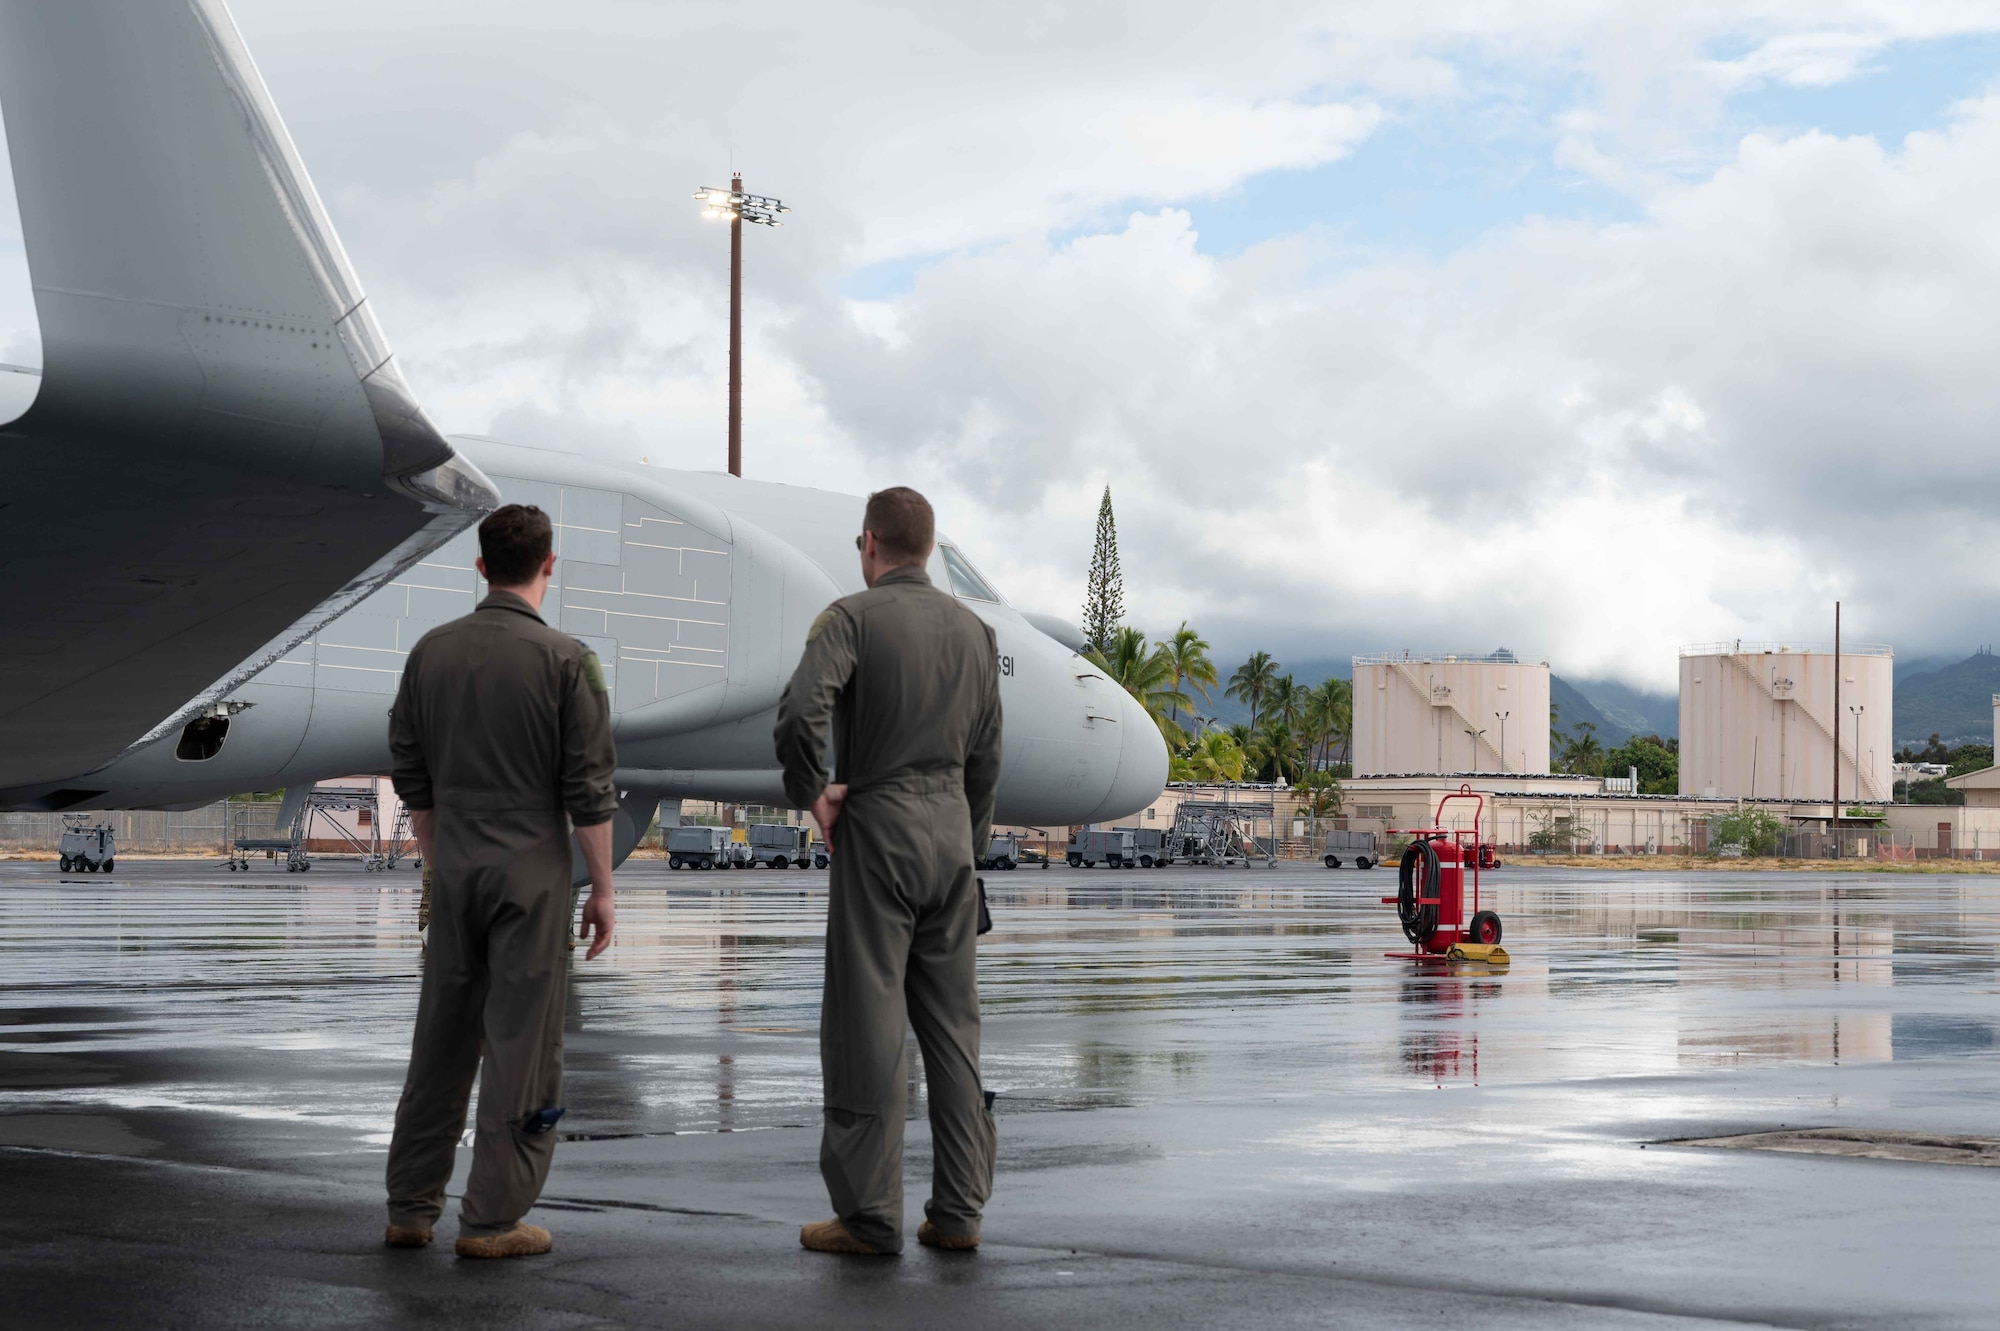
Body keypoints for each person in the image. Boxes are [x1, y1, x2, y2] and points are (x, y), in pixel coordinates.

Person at [381, 503, 619, 1260]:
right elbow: (589, 791)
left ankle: (411, 1206)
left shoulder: (431, 652)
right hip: (531, 876)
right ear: (550, 565)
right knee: (521, 1043)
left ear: (480, 565)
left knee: (441, 1035)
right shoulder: (567, 660)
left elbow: (410, 769)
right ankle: (490, 1219)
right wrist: (605, 888)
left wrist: (437, 849)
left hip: (454, 868)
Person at [774, 486, 1002, 1256]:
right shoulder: (975, 632)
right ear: (930, 548)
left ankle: (870, 1215)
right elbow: (987, 760)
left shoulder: (850, 618)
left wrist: (815, 793)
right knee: (953, 1029)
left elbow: (802, 709)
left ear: (869, 542)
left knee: (867, 1024)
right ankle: (960, 1210)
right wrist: (968, 855)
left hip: (880, 826)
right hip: (952, 838)